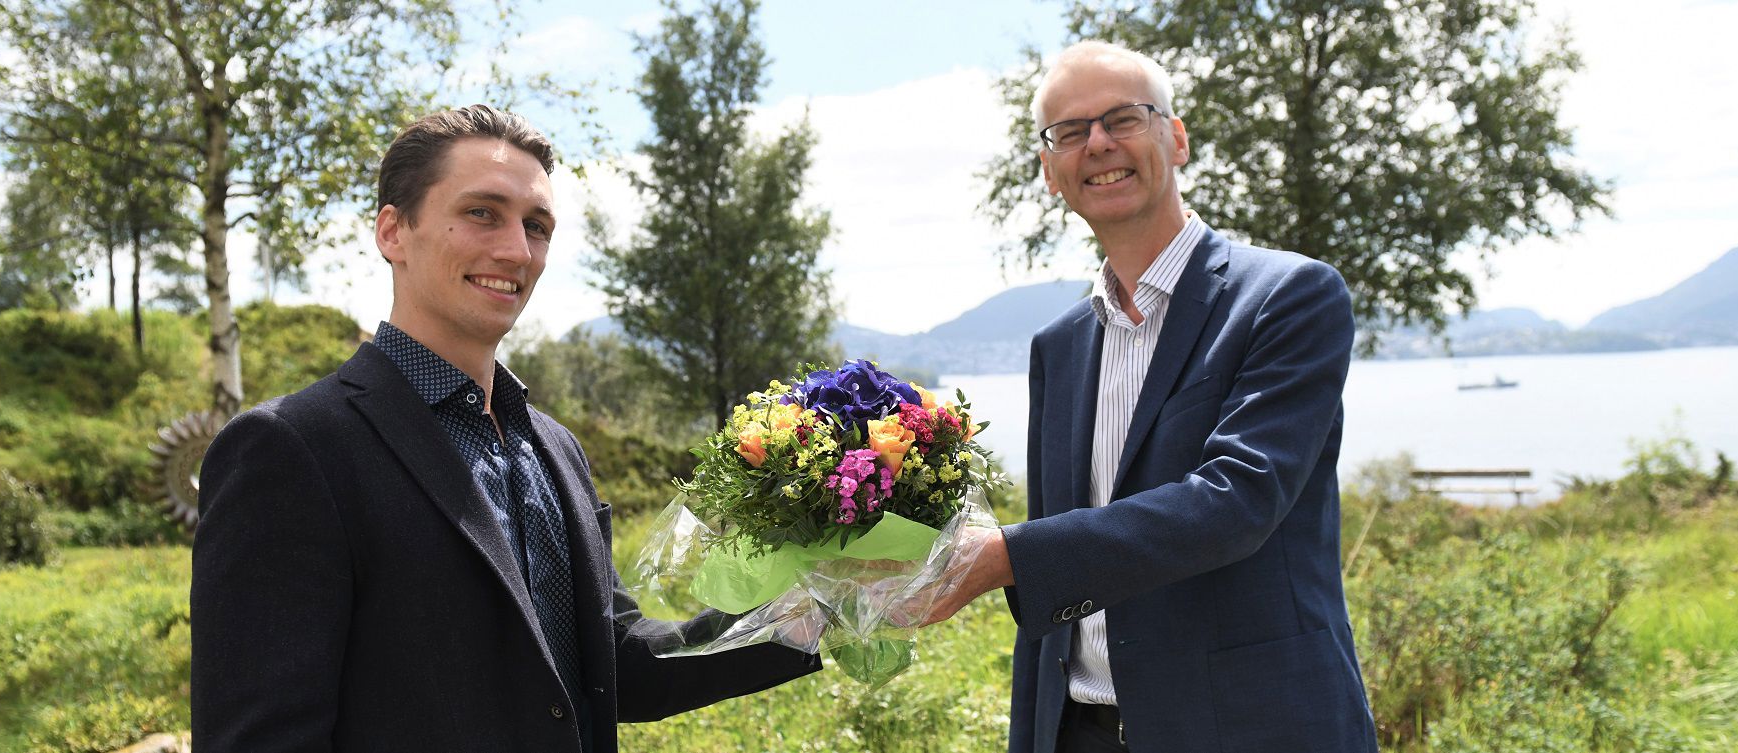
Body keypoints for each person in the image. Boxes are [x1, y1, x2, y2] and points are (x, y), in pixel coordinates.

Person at [191, 105, 819, 753]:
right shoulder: (291, 449)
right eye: (482, 213)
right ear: (392, 232)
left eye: (537, 226)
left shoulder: (555, 448)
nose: (517, 250)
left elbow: (618, 662)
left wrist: (827, 608)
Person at [922, 41, 1379, 752]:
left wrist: (1007, 555)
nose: (1098, 143)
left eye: (1123, 118)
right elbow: (1064, 570)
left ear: (1177, 137)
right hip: (1080, 730)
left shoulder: (1290, 297)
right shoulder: (1059, 345)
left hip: (1252, 727)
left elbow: (1236, 501)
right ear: (1050, 171)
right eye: (1070, 132)